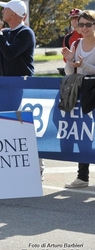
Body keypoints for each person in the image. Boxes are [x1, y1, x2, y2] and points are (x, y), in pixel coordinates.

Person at [0, 1, 44, 178]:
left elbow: (10, 53)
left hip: (21, 85)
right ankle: (9, 165)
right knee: (3, 123)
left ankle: (36, 166)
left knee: (22, 126)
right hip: (5, 85)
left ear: (14, 14)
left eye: (6, 8)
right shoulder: (6, 33)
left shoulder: (26, 33)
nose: (2, 11)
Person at [62, 10, 95, 189]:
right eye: (81, 24)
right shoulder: (77, 43)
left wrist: (83, 65)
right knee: (84, 134)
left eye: (88, 24)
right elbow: (70, 73)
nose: (84, 28)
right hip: (83, 93)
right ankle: (82, 177)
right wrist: (69, 61)